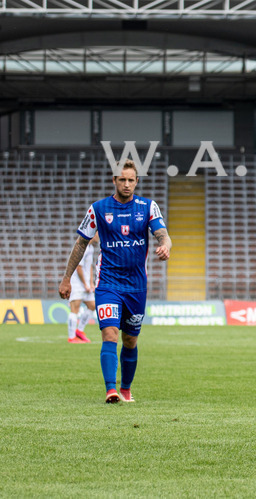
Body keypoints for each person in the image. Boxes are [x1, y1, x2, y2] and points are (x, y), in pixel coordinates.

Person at [59, 160, 172, 404]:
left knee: (130, 340)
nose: (127, 184)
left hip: (136, 286)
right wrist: (66, 277)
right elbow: (80, 244)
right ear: (114, 180)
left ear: (137, 181)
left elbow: (163, 234)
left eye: (131, 180)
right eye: (122, 179)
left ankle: (126, 389)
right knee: (109, 333)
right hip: (108, 283)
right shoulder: (98, 209)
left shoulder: (148, 207)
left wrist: (165, 246)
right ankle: (111, 390)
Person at [67, 237, 98, 343]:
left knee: (93, 305)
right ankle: (71, 337)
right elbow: (78, 267)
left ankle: (79, 331)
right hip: (77, 283)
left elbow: (89, 266)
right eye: (98, 233)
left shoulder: (90, 248)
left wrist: (90, 283)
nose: (99, 236)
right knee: (75, 308)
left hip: (85, 284)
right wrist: (85, 284)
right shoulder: (82, 247)